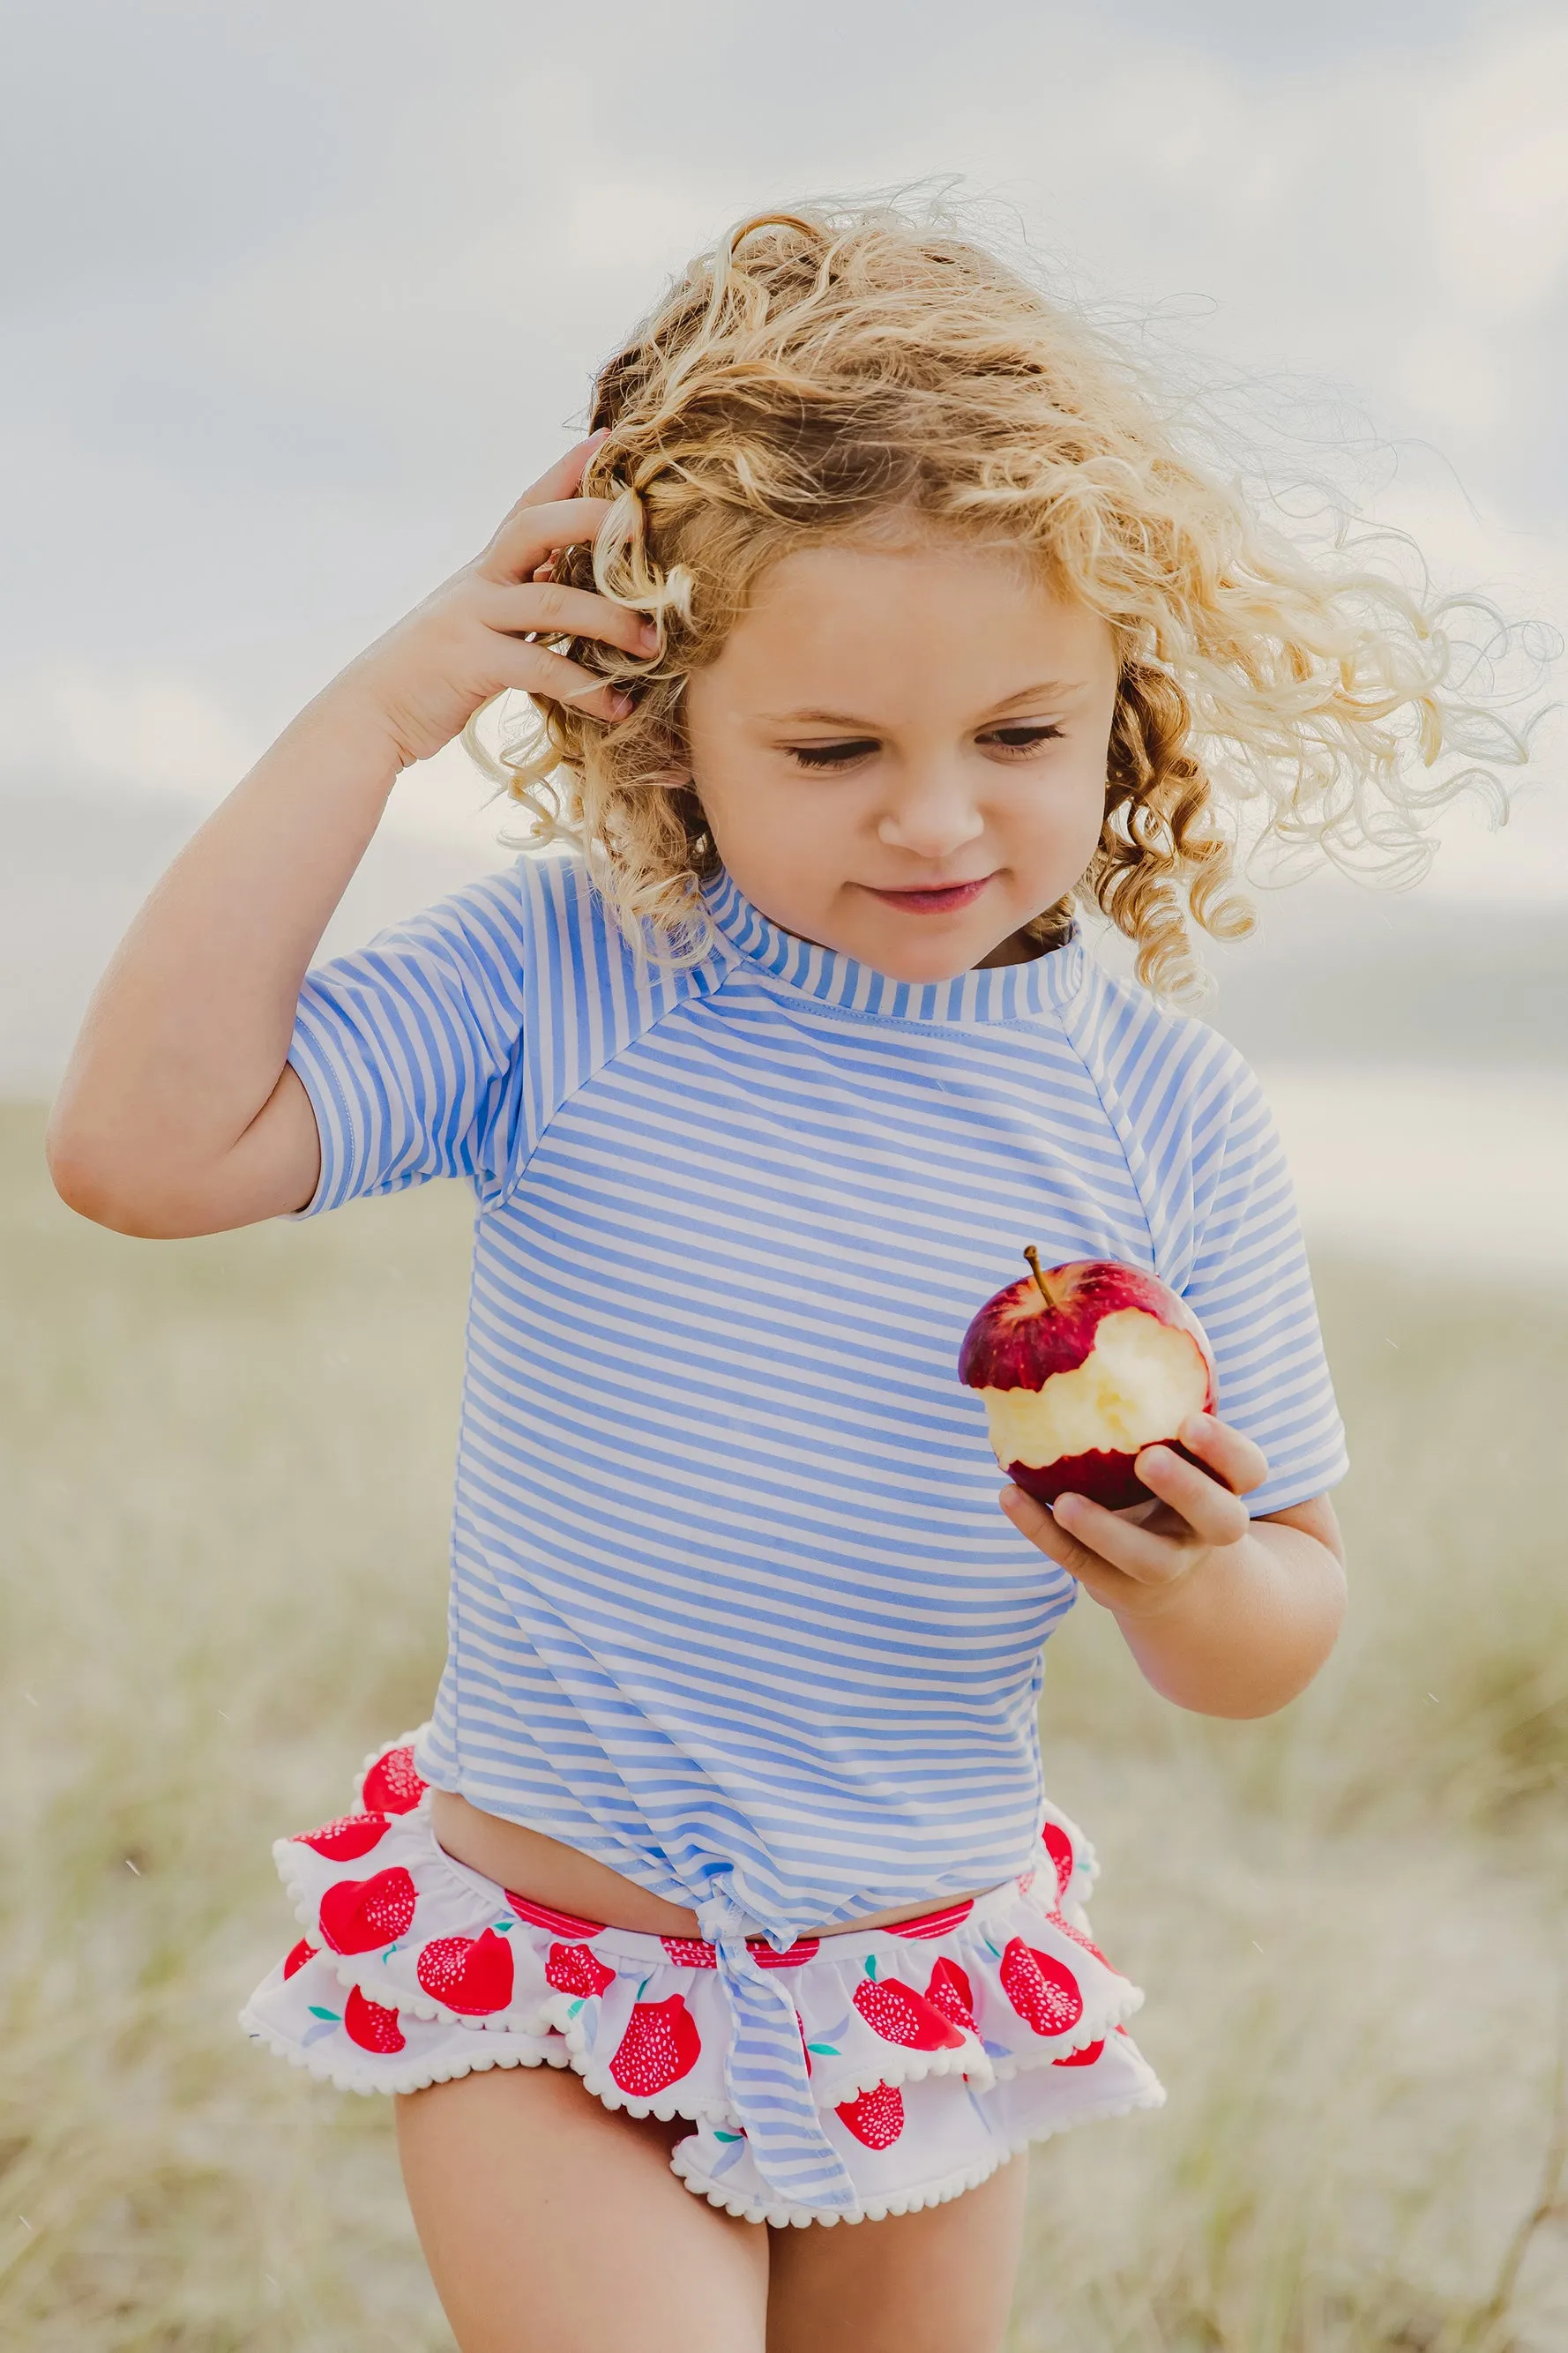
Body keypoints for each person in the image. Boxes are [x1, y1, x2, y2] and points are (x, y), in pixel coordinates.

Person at [46, 203, 1530, 2353]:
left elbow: (1274, 1629)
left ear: (1127, 697)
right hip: (557, 1977)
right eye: (831, 752)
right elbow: (135, 1152)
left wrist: (1191, 1579)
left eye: (1021, 735)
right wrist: (372, 720)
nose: (935, 818)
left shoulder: (1164, 1112)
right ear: (665, 729)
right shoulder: (568, 981)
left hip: (922, 1982)